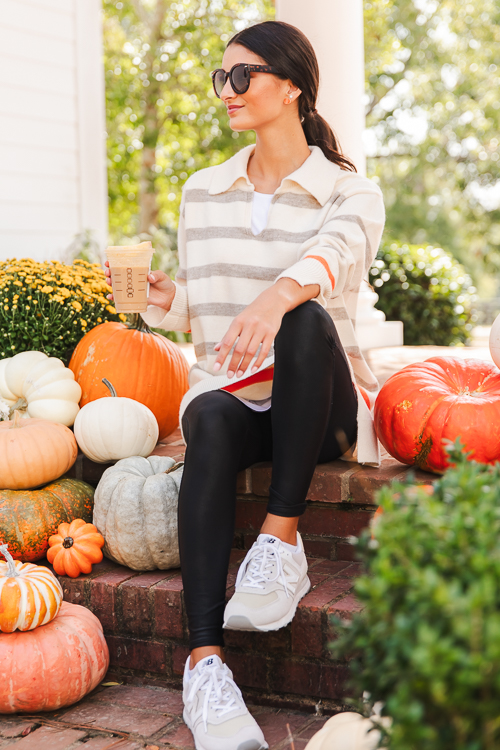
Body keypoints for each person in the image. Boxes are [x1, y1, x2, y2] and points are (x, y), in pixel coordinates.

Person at [106, 19, 385, 750]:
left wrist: (276, 295)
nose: (226, 91)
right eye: (219, 78)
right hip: (240, 395)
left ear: (292, 85)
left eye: (243, 76)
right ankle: (204, 666)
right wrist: (166, 298)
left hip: (318, 404)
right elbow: (208, 313)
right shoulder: (205, 191)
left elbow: (336, 258)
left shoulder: (349, 192)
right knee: (213, 420)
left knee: (299, 317)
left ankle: (282, 538)